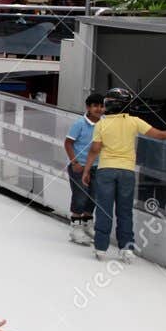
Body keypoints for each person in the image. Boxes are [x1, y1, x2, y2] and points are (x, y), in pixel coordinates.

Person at [80, 89, 166, 262]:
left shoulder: (101, 124)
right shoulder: (134, 121)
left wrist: (86, 170)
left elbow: (95, 149)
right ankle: (127, 248)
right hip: (127, 172)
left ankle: (100, 248)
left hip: (105, 170)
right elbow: (159, 135)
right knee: (125, 211)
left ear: (109, 104)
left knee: (104, 209)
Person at [63, 93, 104, 245]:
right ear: (88, 107)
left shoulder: (104, 123)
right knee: (80, 197)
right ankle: (76, 228)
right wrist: (74, 163)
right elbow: (68, 143)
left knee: (93, 197)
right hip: (79, 167)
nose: (99, 109)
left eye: (101, 106)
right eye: (95, 106)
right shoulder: (79, 124)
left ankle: (87, 224)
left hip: (96, 167)